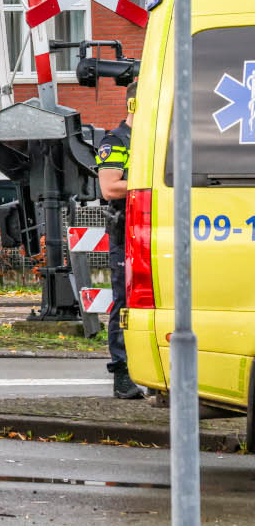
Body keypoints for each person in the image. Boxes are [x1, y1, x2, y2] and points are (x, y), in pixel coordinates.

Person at [98, 92, 147, 400]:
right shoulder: (116, 141)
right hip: (124, 235)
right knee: (124, 300)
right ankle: (121, 372)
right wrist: (149, 180)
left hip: (150, 232)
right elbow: (109, 187)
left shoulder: (151, 138)